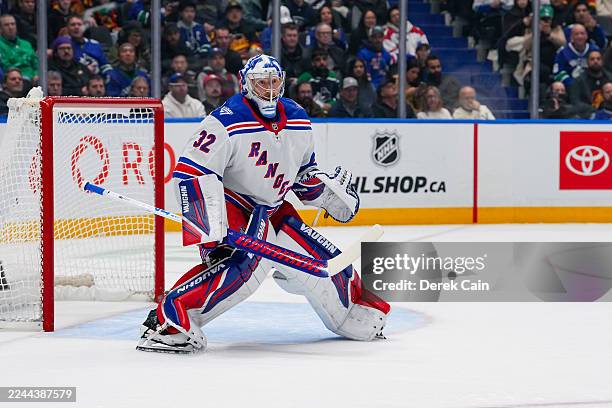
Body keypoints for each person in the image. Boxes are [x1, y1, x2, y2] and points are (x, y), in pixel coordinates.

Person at [137, 54, 390, 354]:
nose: (268, 90)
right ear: (246, 84)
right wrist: (210, 226)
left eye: (273, 83)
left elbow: (302, 175)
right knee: (247, 265)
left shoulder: (297, 118)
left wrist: (326, 193)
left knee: (322, 259)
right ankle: (170, 319)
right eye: (261, 84)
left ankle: (349, 311)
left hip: (273, 209)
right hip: (232, 208)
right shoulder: (225, 120)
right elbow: (191, 171)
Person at [569, 49, 611, 117]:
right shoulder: (578, 81)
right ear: (587, 62)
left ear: (602, 61)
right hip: (586, 116)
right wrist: (593, 110)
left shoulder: (609, 78)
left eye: (598, 59)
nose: (595, 61)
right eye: (592, 59)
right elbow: (575, 102)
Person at [297, 48, 340, 114]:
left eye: (324, 59)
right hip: (312, 111)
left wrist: (331, 105)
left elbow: (338, 96)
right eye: (318, 60)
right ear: (313, 62)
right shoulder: (305, 77)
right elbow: (298, 96)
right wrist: (319, 105)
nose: (322, 62)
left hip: (331, 111)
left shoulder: (333, 76)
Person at [0, 14, 38, 86]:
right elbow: (6, 66)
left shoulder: (26, 44)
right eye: (6, 25)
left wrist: (36, 75)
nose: (10, 27)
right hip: (14, 79)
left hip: (33, 79)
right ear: (0, 29)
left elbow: (35, 64)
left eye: (13, 24)